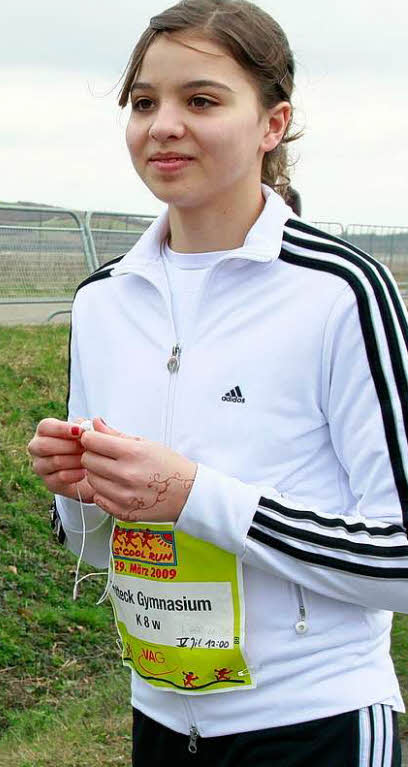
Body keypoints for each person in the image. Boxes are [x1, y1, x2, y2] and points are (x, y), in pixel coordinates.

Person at [27, 2, 406, 764]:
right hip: (160, 721)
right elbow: (94, 547)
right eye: (143, 102)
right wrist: (76, 490)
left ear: (272, 124)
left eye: (201, 100)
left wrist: (192, 493)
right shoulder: (101, 300)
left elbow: (398, 558)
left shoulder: (342, 291)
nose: (163, 124)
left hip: (314, 722)